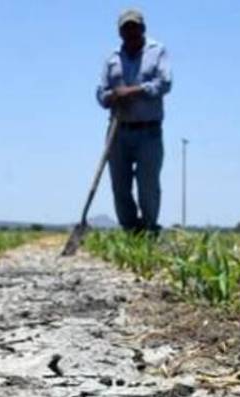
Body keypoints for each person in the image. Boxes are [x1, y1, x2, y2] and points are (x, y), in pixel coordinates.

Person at [96, 8, 172, 234]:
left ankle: (149, 228)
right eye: (125, 28)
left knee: (148, 185)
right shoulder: (112, 59)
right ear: (119, 32)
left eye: (134, 27)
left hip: (148, 130)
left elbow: (164, 83)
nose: (130, 32)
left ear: (143, 28)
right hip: (118, 131)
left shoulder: (157, 52)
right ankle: (130, 230)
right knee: (120, 186)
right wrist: (112, 97)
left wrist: (133, 91)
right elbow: (100, 92)